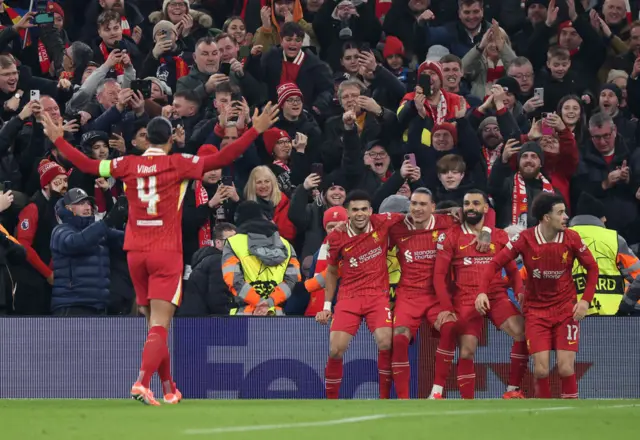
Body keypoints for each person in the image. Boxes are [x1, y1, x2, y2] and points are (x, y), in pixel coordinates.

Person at [39, 103, 280, 405]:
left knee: (153, 322)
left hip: (135, 252)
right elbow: (222, 157)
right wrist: (255, 131)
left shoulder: (125, 163)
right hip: (165, 251)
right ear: (169, 140)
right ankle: (141, 383)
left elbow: (87, 165)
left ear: (146, 141)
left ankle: (168, 387)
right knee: (160, 325)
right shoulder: (178, 163)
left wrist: (59, 141)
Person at [478, 193, 598, 399]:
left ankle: (573, 412)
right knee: (541, 370)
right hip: (535, 311)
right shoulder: (525, 239)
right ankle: (544, 412)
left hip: (565, 309)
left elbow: (592, 268)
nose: (566, 217)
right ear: (546, 217)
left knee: (565, 368)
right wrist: (481, 291)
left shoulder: (572, 238)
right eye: (560, 213)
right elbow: (494, 263)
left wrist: (585, 300)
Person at [434, 189, 528, 399]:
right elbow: (439, 276)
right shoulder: (452, 236)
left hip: (496, 295)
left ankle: (512, 390)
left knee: (522, 333)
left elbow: (512, 270)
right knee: (467, 351)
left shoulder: (499, 235)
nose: (471, 208)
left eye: (476, 204)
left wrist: (520, 290)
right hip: (466, 297)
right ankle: (468, 402)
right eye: (467, 204)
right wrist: (447, 308)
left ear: (486, 208)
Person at [315, 190, 403, 399]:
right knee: (336, 349)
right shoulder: (336, 237)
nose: (360, 214)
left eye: (364, 209)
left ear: (371, 210)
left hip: (376, 295)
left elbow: (417, 215)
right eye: (355, 210)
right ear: (347, 212)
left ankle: (383, 399)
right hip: (349, 297)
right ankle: (331, 403)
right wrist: (327, 306)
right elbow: (333, 271)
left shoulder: (383, 222)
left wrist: (450, 211)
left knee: (385, 341)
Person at [388, 188, 459, 399]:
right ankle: (403, 399)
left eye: (422, 204)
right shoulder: (397, 228)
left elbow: (481, 223)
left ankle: (436, 392)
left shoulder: (448, 223)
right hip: (408, 295)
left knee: (449, 327)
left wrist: (485, 234)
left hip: (437, 296)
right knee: (399, 339)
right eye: (414, 204)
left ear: (433, 207)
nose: (417, 209)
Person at [50, 188, 126, 316]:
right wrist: (107, 222)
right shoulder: (60, 231)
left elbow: (126, 241)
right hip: (72, 306)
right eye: (80, 203)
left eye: (88, 203)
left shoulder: (100, 231)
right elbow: (76, 243)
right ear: (69, 208)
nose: (87, 207)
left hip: (99, 306)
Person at [222, 201, 301, 316]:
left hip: (244, 315)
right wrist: (269, 303)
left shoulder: (233, 243)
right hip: (276, 315)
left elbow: (233, 280)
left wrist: (258, 302)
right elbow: (292, 280)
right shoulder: (286, 245)